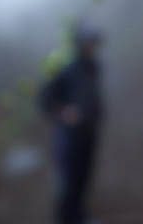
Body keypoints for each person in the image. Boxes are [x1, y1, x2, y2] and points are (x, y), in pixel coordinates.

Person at [40, 22, 104, 224]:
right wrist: (64, 113)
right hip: (69, 137)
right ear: (79, 44)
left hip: (89, 132)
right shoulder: (66, 69)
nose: (92, 47)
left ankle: (80, 217)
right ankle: (67, 219)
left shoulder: (93, 66)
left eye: (94, 43)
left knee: (84, 179)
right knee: (69, 183)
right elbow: (46, 100)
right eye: (88, 43)